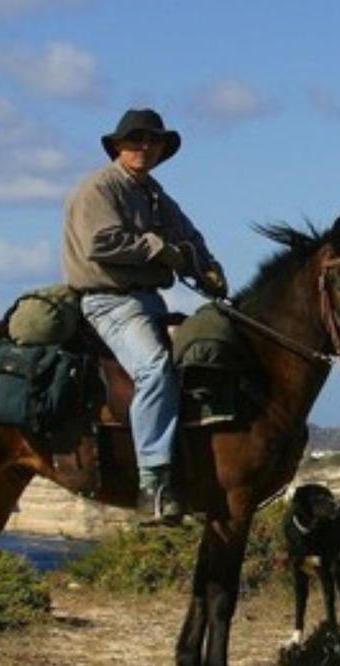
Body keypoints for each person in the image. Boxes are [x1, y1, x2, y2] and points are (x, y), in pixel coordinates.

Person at [62, 108, 228, 525]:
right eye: (135, 140)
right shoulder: (99, 189)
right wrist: (159, 248)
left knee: (205, 355)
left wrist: (205, 267)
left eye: (152, 141)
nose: (144, 147)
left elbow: (188, 237)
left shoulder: (154, 193)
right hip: (109, 301)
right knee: (154, 368)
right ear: (118, 146)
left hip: (148, 300)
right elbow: (100, 242)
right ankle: (152, 482)